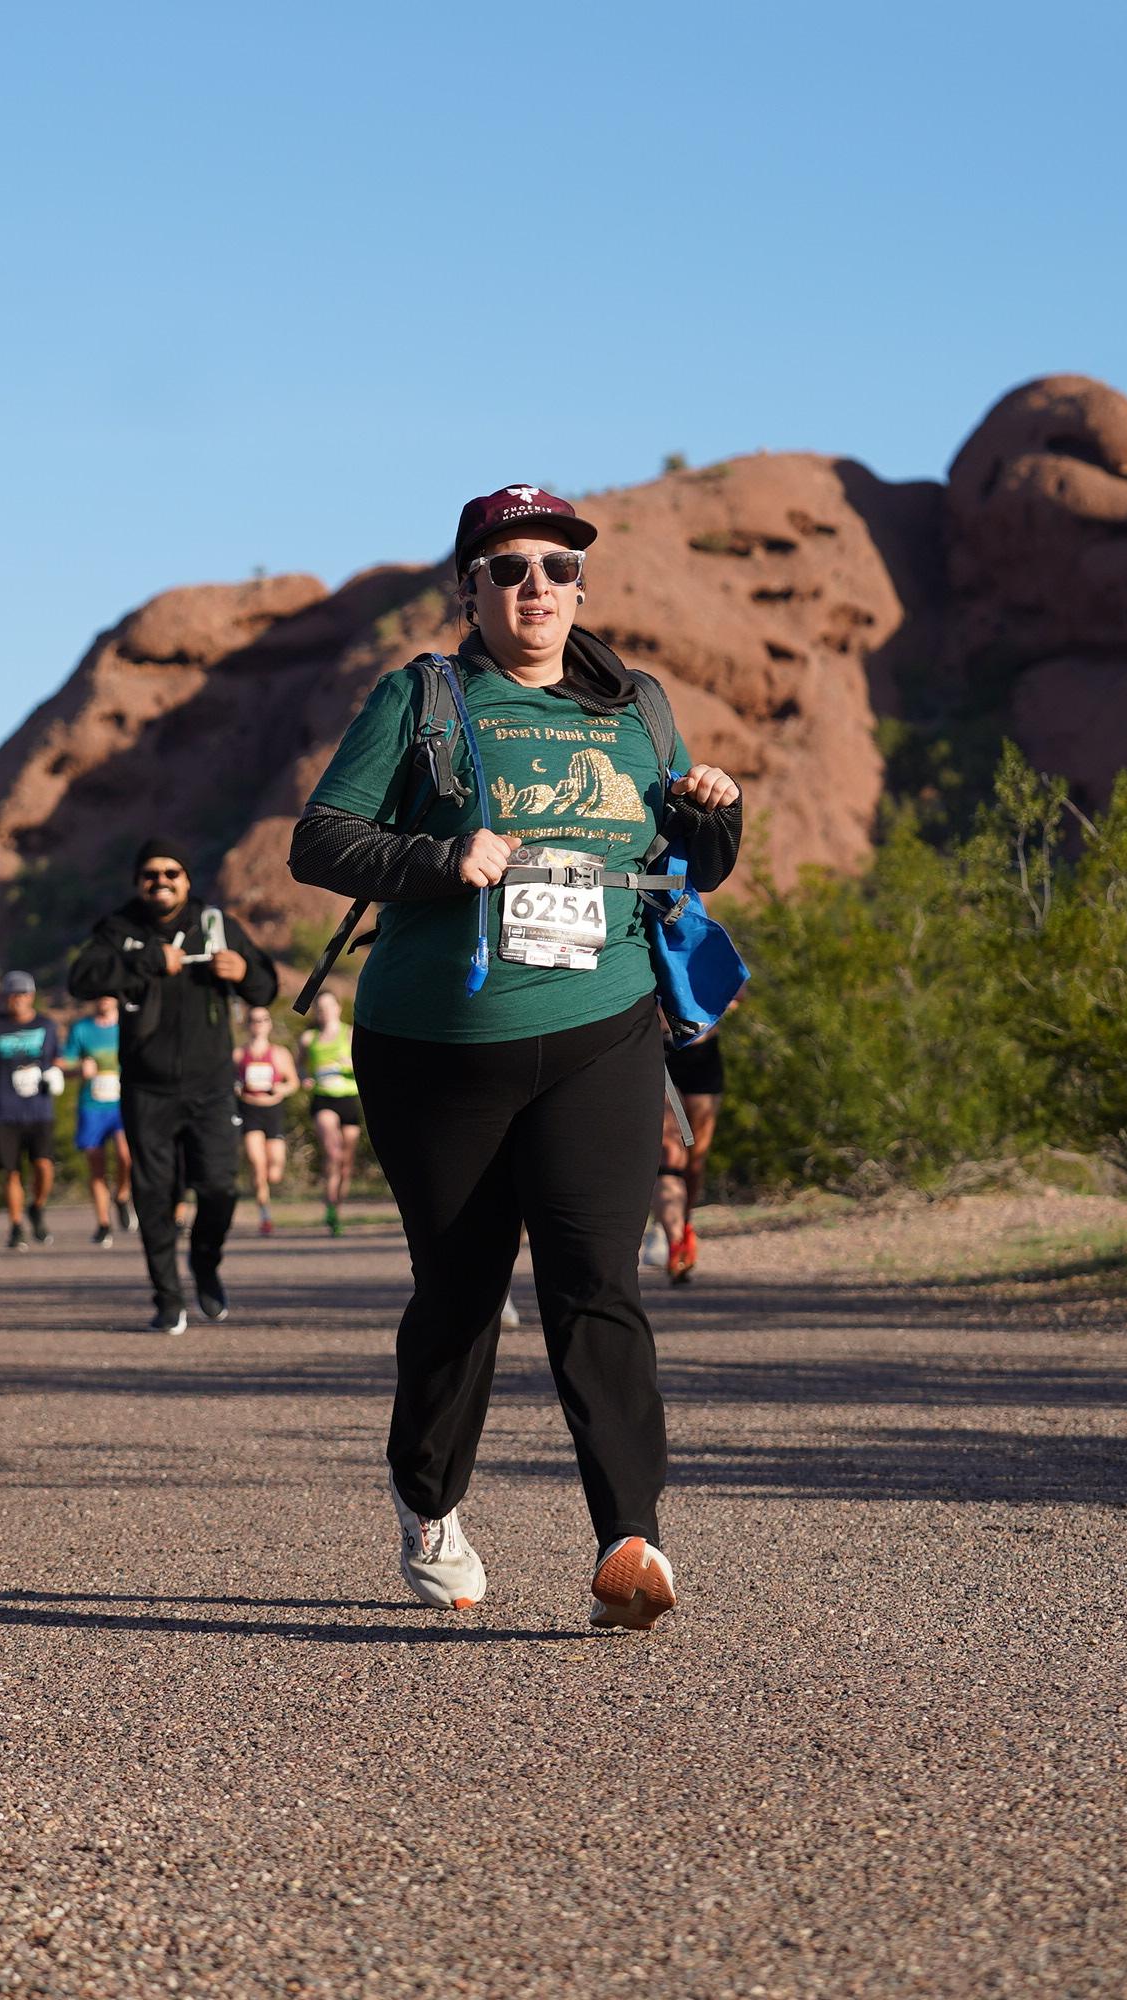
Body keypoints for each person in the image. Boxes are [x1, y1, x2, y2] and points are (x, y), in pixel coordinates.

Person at [288, 483, 741, 1631]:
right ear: (469, 590)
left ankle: (628, 1538)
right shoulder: (422, 697)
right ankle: (427, 1497)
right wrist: (441, 860)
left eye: (556, 566)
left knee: (596, 1282)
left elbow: (689, 864)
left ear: (580, 586)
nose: (535, 585)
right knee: (461, 1292)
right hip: (436, 1043)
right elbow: (320, 839)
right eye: (507, 568)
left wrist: (712, 810)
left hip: (602, 1023)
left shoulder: (635, 706)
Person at [68, 840, 280, 1334]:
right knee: (154, 1196)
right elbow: (81, 979)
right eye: (151, 874)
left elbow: (266, 987)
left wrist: (244, 971)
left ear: (186, 879)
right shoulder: (120, 929)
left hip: (211, 1086)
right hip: (147, 1089)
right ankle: (166, 1296)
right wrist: (144, 961)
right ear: (137, 882)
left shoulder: (215, 924)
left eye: (171, 873)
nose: (160, 882)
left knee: (220, 1188)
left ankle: (205, 1263)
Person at [0, 971, 65, 1249]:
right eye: (12, 994)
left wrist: (56, 1073)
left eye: (23, 993)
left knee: (44, 1165)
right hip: (5, 1110)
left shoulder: (46, 1025)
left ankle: (37, 1207)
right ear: (5, 997)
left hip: (39, 1109)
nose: (18, 999)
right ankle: (15, 1226)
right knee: (10, 1171)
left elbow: (58, 1058)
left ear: (31, 996)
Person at [656, 1024, 724, 1283]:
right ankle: (675, 1245)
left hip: (702, 1053)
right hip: (660, 1051)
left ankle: (684, 1224)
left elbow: (736, 998)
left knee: (695, 1162)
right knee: (671, 1151)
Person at [66, 993, 132, 1247]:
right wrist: (78, 1069)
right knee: (97, 1166)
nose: (104, 999)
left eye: (109, 994)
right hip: (92, 1105)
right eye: (100, 994)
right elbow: (63, 1061)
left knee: (126, 1155)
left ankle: (122, 1194)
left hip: (122, 1104)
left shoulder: (127, 1025)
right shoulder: (82, 1029)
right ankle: (104, 1224)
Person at [300, 991, 362, 1236]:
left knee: (346, 1163)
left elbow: (366, 1063)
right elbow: (298, 1065)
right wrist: (304, 1077)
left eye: (328, 1006)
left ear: (338, 1008)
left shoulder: (350, 1033)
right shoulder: (309, 1038)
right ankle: (330, 1205)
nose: (324, 1011)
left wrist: (350, 1064)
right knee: (333, 1152)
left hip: (348, 1099)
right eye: (320, 1007)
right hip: (323, 1099)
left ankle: (336, 1209)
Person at [233, 1008, 297, 1237]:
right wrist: (237, 1088)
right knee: (257, 1163)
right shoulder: (238, 1055)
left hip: (273, 1112)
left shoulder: (280, 1054)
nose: (259, 1023)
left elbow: (293, 1082)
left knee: (274, 1170)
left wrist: (281, 1088)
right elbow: (229, 1081)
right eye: (254, 1020)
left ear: (270, 1024)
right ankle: (265, 1215)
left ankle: (267, 1191)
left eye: (263, 1019)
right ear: (247, 1024)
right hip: (249, 1111)